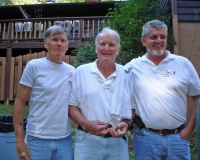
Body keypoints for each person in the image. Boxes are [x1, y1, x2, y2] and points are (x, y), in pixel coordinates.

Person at [125, 19, 200, 160]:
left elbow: (198, 97)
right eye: (153, 37)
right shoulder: (133, 67)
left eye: (162, 36)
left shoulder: (183, 63)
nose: (159, 40)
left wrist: (190, 129)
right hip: (145, 140)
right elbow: (113, 82)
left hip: (178, 139)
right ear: (143, 41)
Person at [69, 27, 133, 160]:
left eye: (111, 44)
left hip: (117, 143)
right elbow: (72, 106)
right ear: (95, 47)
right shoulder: (81, 72)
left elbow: (132, 107)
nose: (106, 48)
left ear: (118, 49)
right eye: (102, 44)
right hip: (87, 141)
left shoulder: (126, 74)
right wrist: (86, 124)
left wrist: (126, 124)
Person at [13, 25, 75, 160]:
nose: (59, 44)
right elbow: (19, 102)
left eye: (63, 40)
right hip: (37, 138)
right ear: (46, 43)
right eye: (55, 40)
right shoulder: (34, 66)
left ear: (67, 45)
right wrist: (19, 140)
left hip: (64, 138)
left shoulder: (72, 71)